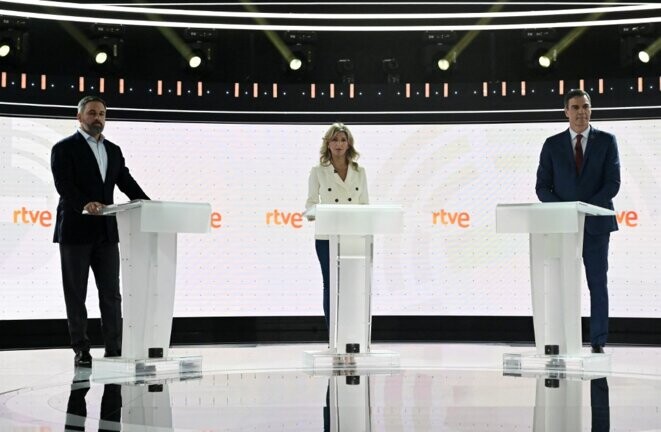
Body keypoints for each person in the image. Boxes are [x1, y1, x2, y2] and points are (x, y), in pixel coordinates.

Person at [51, 95, 150, 367]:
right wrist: (85, 203)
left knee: (111, 293)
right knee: (76, 292)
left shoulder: (114, 150)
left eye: (103, 114)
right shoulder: (64, 148)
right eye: (93, 113)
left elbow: (125, 181)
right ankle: (81, 349)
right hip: (75, 231)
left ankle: (114, 347)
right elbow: (64, 185)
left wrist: (149, 205)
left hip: (106, 232)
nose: (98, 119)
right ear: (80, 117)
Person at [535, 89, 621, 353]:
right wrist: (566, 211)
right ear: (566, 112)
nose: (581, 112)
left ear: (590, 109)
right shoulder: (552, 144)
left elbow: (612, 183)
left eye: (585, 107)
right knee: (561, 286)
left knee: (597, 283)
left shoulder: (607, 141)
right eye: (575, 107)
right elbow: (542, 188)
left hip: (595, 226)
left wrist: (584, 209)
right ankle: (560, 338)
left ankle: (598, 341)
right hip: (563, 227)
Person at [305, 123, 369, 328]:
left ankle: (351, 333)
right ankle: (333, 335)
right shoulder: (318, 171)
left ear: (349, 144)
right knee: (331, 284)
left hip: (353, 236)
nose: (339, 144)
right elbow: (310, 204)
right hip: (327, 236)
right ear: (328, 144)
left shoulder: (360, 171)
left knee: (351, 286)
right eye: (335, 140)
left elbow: (365, 205)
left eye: (343, 139)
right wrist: (315, 213)